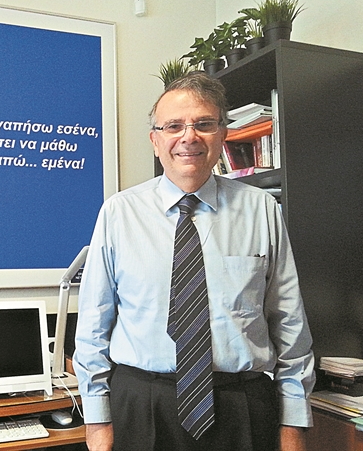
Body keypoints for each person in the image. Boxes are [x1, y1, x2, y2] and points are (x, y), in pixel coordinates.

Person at [73, 71, 315, 451]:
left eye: (204, 124)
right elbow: (93, 325)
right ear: (155, 141)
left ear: (222, 134)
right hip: (142, 406)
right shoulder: (118, 213)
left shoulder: (262, 210)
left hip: (242, 407)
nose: (189, 137)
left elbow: (289, 322)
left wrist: (294, 423)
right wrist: (97, 421)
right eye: (173, 126)